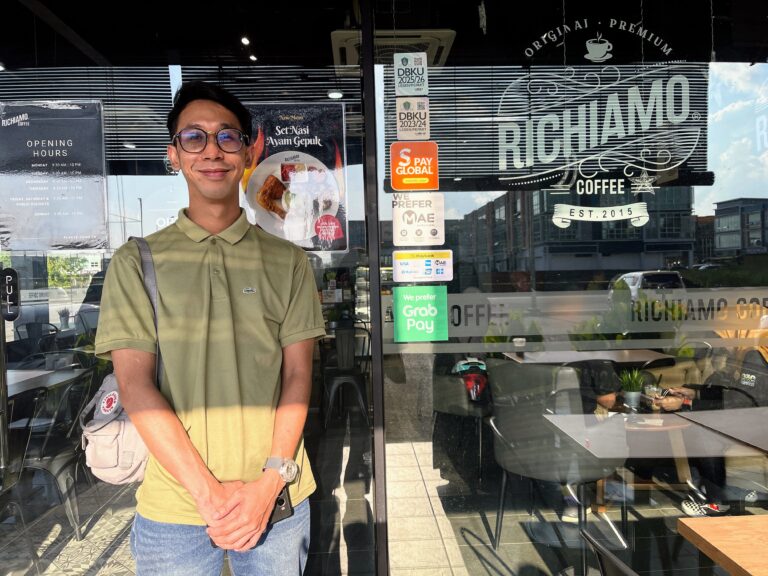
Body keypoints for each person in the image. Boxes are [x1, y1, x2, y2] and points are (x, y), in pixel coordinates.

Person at [94, 80, 326, 575]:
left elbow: (297, 377)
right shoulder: (137, 262)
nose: (212, 151)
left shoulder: (287, 262)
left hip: (277, 501)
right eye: (193, 137)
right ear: (174, 155)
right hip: (175, 509)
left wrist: (269, 483)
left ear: (249, 152)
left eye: (227, 136)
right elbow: (135, 386)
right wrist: (210, 495)